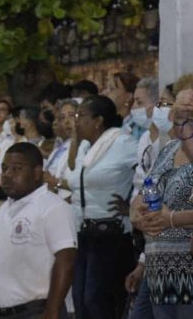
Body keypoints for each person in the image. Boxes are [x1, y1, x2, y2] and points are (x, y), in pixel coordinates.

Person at [129, 90, 193, 318]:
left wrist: (171, 218)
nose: (171, 117)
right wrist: (138, 214)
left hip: (191, 269)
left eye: (178, 113)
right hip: (158, 268)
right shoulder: (169, 149)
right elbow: (145, 191)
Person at [61, 95, 137, 319]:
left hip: (110, 232)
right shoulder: (86, 147)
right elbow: (73, 179)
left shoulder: (122, 141)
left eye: (81, 115)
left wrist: (132, 205)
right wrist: (75, 140)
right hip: (83, 232)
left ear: (98, 121)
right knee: (80, 299)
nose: (76, 120)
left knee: (96, 298)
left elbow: (150, 170)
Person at [0, 142, 77, 319]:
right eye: (5, 168)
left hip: (34, 312)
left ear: (36, 173)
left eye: (17, 169)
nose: (7, 175)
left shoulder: (53, 207)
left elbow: (66, 260)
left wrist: (52, 311)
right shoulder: (4, 209)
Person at [103, 72, 141, 139]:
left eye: (111, 89)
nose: (105, 92)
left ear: (128, 97)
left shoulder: (137, 126)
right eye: (106, 88)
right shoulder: (107, 122)